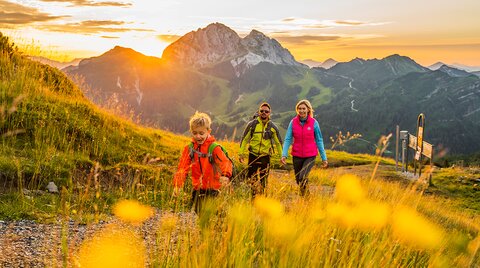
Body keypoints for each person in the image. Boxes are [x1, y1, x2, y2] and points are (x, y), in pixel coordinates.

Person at [173, 112, 232, 213]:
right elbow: (183, 168)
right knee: (198, 210)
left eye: (201, 133)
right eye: (195, 133)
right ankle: (206, 228)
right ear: (191, 132)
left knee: (214, 212)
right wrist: (178, 185)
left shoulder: (214, 148)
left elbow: (225, 162)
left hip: (213, 188)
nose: (198, 137)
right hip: (198, 187)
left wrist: (225, 175)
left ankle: (221, 226)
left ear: (208, 131)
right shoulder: (189, 149)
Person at [281, 99, 328, 196]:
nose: (301, 110)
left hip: (310, 156)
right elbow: (288, 139)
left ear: (308, 110)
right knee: (299, 180)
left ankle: (307, 199)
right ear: (297, 110)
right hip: (297, 155)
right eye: (299, 108)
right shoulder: (293, 122)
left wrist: (324, 158)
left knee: (302, 177)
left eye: (303, 108)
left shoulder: (314, 123)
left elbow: (319, 140)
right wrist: (284, 154)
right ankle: (306, 198)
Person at [239, 102, 283, 197]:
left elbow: (278, 143)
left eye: (266, 111)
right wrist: (240, 153)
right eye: (262, 111)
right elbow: (244, 139)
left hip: (265, 156)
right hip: (253, 155)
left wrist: (282, 156)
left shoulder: (273, 127)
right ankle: (253, 197)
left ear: (269, 113)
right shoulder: (252, 125)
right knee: (252, 178)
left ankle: (262, 198)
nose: (264, 113)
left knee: (263, 180)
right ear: (258, 112)